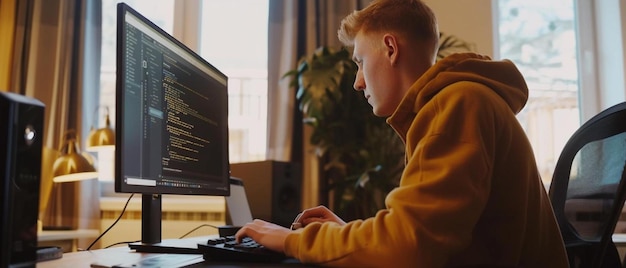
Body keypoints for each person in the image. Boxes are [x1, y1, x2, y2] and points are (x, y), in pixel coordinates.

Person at [235, 0, 569, 266]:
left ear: (391, 48)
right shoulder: (462, 101)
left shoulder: (456, 105)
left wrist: (290, 240)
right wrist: (348, 235)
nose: (357, 81)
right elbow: (422, 234)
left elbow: (407, 249)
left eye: (361, 61)